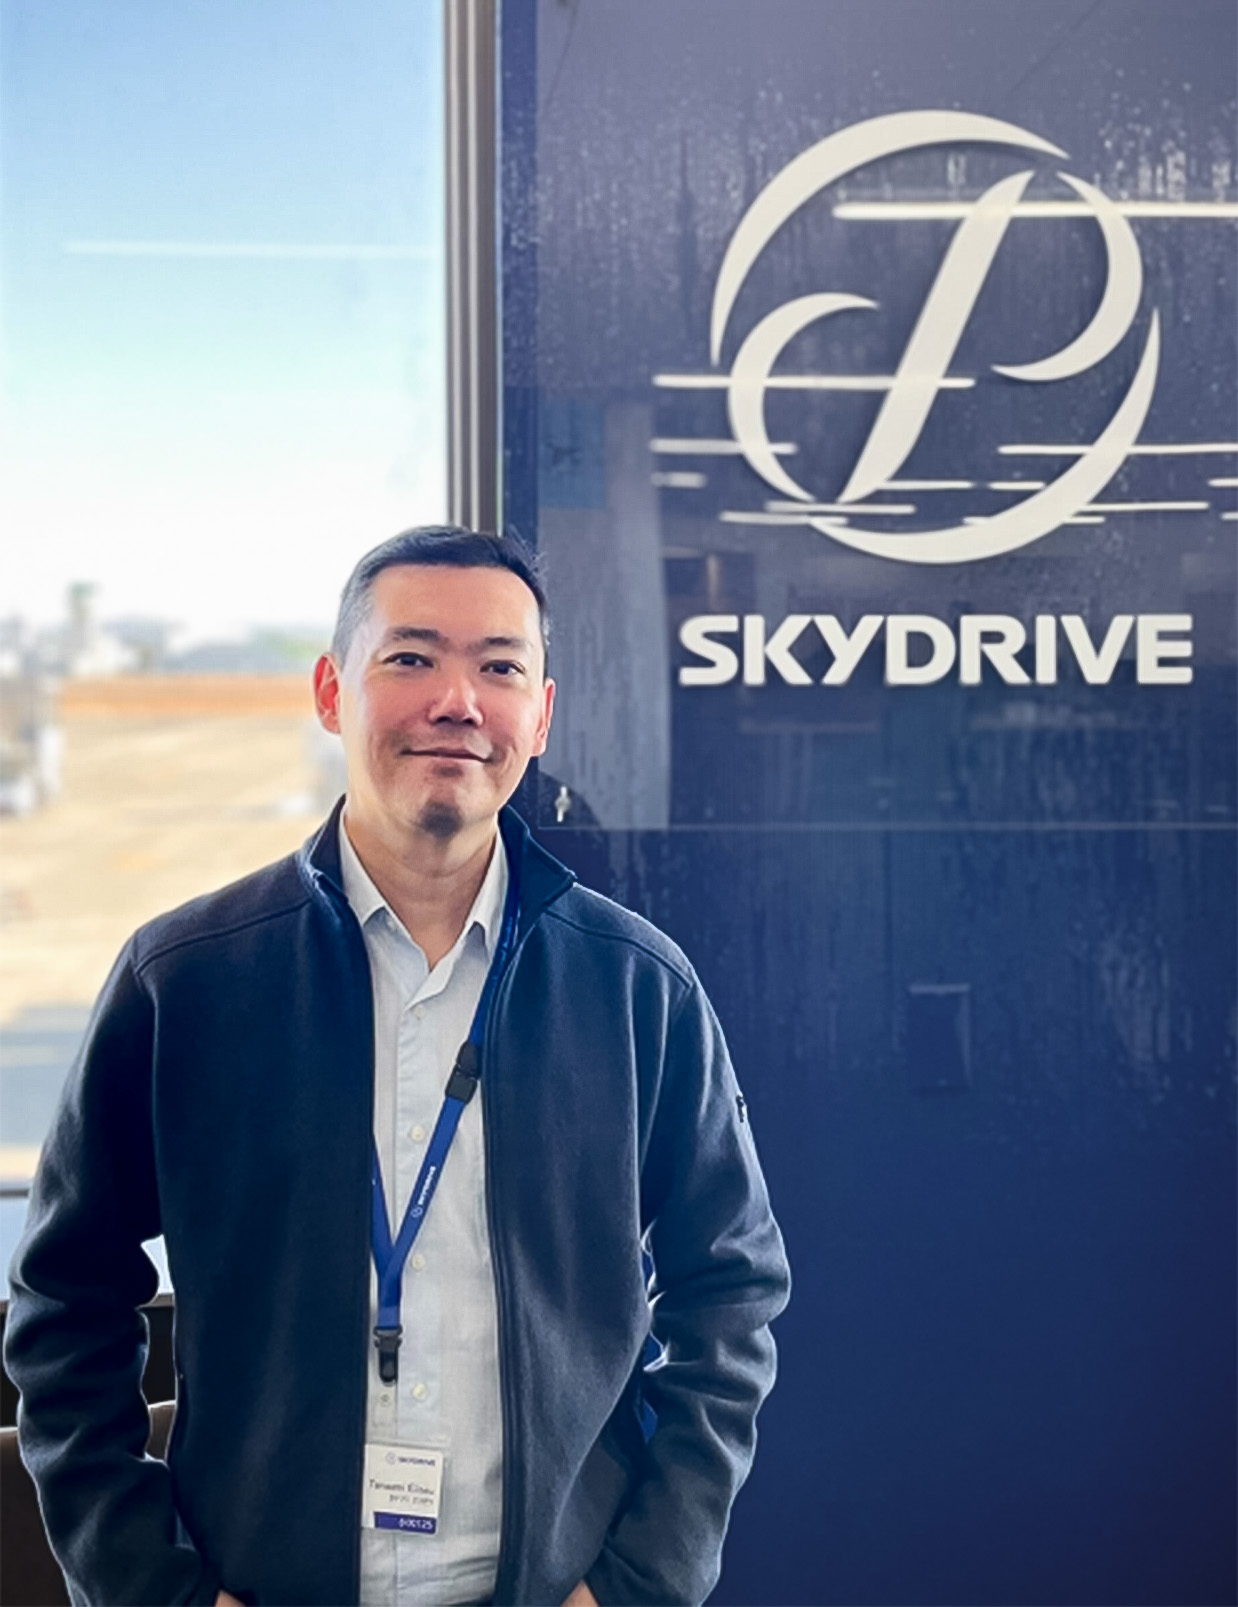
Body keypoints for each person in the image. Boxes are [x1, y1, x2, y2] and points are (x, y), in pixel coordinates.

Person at [5, 526, 790, 1607]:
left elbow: (731, 1290)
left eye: (499, 667)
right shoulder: (185, 980)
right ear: (332, 691)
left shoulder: (635, 987)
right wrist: (148, 1584)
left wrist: (641, 1579)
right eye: (411, 657)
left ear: (540, 714)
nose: (457, 701)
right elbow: (63, 1297)